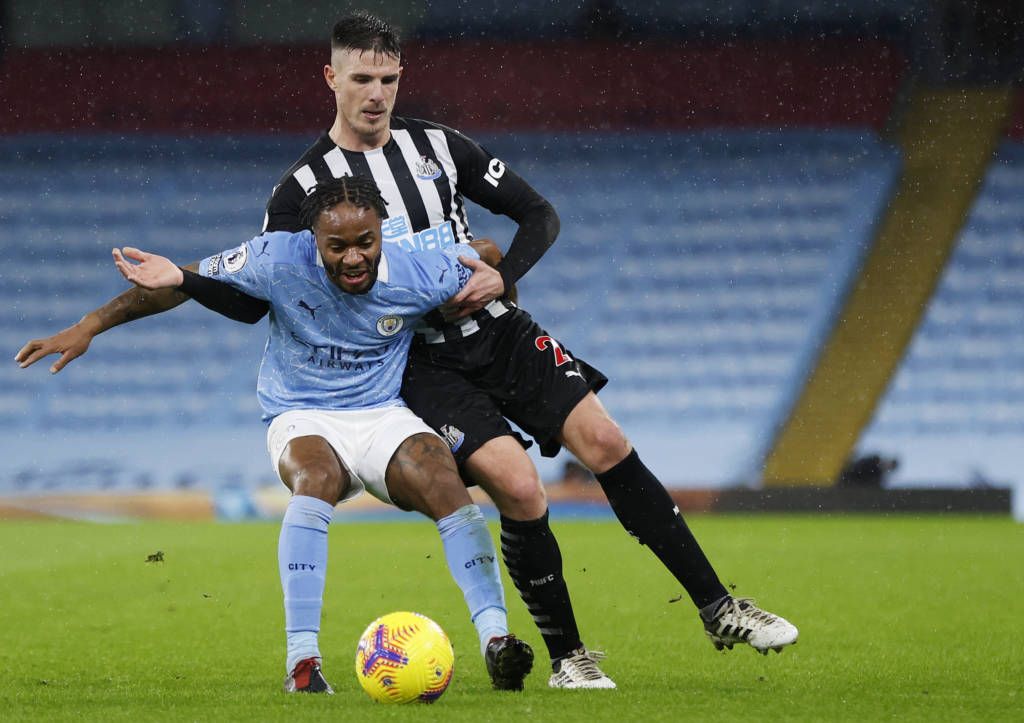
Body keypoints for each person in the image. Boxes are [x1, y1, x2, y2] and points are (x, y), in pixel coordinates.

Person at [15, 12, 797, 689]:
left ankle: (718, 606)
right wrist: (152, 293)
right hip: (418, 360)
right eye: (361, 78)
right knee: (519, 486)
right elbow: (260, 292)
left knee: (607, 442)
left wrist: (501, 276)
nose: (377, 93)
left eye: (388, 78)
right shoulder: (301, 189)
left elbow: (537, 215)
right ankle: (567, 656)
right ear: (331, 78)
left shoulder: (439, 146)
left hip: (498, 331)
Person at [107, 176, 535, 693]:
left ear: (382, 233)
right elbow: (187, 277)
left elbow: (486, 254)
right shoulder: (275, 257)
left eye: (366, 242)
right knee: (316, 476)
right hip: (301, 412)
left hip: (380, 411)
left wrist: (501, 304)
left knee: (443, 477)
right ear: (313, 240)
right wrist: (93, 323)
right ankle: (302, 662)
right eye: (337, 246)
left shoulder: (421, 269)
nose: (354, 257)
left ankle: (496, 640)